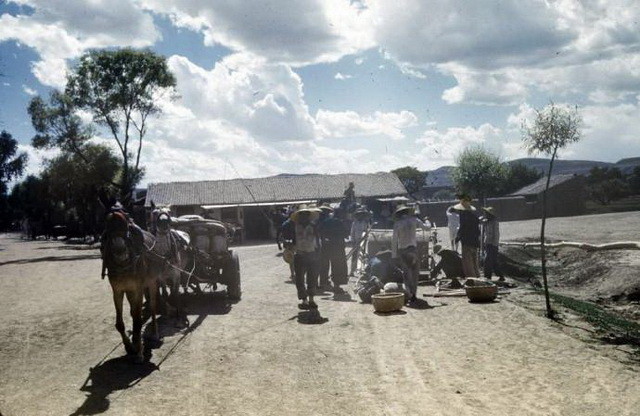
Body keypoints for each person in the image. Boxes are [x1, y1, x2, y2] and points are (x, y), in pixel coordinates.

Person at [282, 204, 322, 310]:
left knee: (312, 278)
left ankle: (311, 299)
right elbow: (290, 240)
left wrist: (318, 253)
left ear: (309, 216)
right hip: (299, 255)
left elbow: (318, 241)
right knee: (299, 279)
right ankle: (304, 300)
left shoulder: (314, 227)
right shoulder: (293, 227)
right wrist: (288, 244)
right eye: (301, 214)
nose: (303, 216)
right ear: (299, 216)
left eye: (306, 214)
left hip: (312, 255)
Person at [391, 205, 431, 303]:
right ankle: (414, 295)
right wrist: (427, 221)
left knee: (406, 274)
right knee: (415, 274)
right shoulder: (414, 220)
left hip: (403, 251)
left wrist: (394, 255)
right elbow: (427, 228)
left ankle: (408, 294)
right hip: (413, 250)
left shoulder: (397, 224)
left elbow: (394, 241)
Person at [318, 205, 349, 293]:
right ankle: (336, 286)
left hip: (325, 246)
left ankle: (323, 284)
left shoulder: (325, 221)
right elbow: (346, 234)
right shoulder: (339, 222)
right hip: (337, 248)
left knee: (324, 265)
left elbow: (319, 231)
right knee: (338, 266)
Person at [453, 194, 481, 278]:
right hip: (475, 242)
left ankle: (472, 280)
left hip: (467, 243)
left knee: (468, 264)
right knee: (475, 263)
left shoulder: (463, 216)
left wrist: (457, 238)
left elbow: (462, 229)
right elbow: (478, 231)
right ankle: (478, 277)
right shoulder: (474, 217)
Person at [481, 207, 505, 281]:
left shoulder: (494, 222)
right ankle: (500, 276)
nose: (485, 214)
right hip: (488, 243)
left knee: (488, 261)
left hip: (492, 244)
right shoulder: (487, 222)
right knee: (494, 261)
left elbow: (496, 234)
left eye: (486, 213)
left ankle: (487, 276)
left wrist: (494, 244)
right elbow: (484, 234)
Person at [349, 207, 370, 276]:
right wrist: (352, 241)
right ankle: (352, 271)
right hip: (355, 241)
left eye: (361, 215)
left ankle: (362, 270)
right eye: (359, 214)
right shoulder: (354, 223)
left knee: (362, 256)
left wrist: (365, 239)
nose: (360, 216)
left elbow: (367, 232)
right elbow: (352, 233)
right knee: (354, 256)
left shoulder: (365, 223)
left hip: (363, 241)